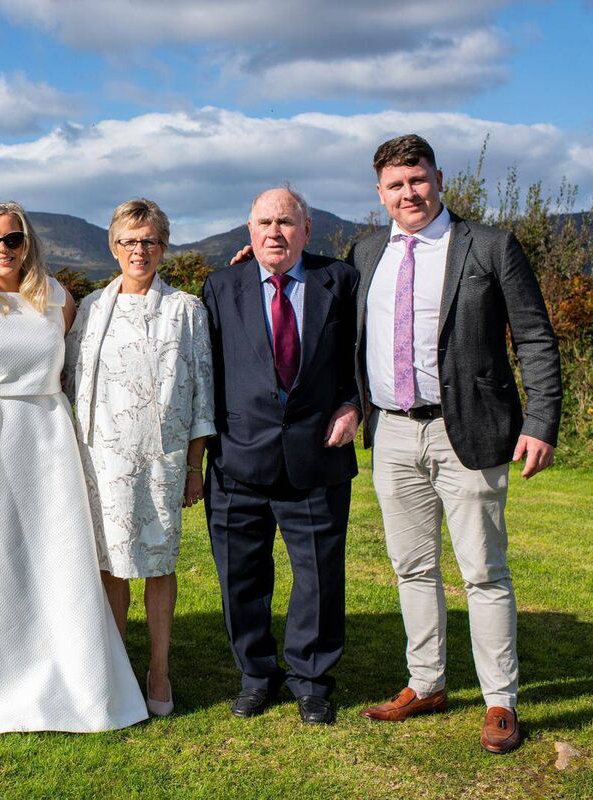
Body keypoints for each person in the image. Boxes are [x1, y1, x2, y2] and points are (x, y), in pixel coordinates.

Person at [351, 135, 561, 754]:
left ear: (439, 179)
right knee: (411, 567)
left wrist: (541, 421)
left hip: (467, 428)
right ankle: (427, 683)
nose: (408, 193)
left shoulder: (490, 245)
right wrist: (255, 258)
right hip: (392, 431)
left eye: (417, 180)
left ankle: (500, 700)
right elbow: (323, 294)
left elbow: (535, 337)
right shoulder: (366, 252)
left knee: (484, 571)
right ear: (380, 193)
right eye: (395, 185)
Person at [0, 201, 148, 735]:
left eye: (12, 239)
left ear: (27, 241)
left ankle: (71, 675)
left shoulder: (59, 299)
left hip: (47, 441)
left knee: (54, 553)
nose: (3, 249)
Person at [202, 186, 360, 725]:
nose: (275, 232)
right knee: (240, 578)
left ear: (306, 230)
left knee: (319, 578)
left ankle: (312, 680)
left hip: (318, 455)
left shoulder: (340, 280)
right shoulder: (220, 286)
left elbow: (362, 356)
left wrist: (352, 404)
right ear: (249, 231)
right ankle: (256, 676)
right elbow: (206, 369)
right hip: (238, 459)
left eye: (286, 222)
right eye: (265, 222)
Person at [64, 198, 215, 717]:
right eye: (129, 241)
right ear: (113, 246)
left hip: (161, 459)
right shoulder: (90, 308)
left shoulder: (186, 309)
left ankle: (159, 667)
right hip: (101, 459)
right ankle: (114, 667)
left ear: (163, 247)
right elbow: (69, 379)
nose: (138, 250)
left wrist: (194, 466)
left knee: (158, 563)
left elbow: (202, 392)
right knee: (110, 565)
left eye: (149, 241)